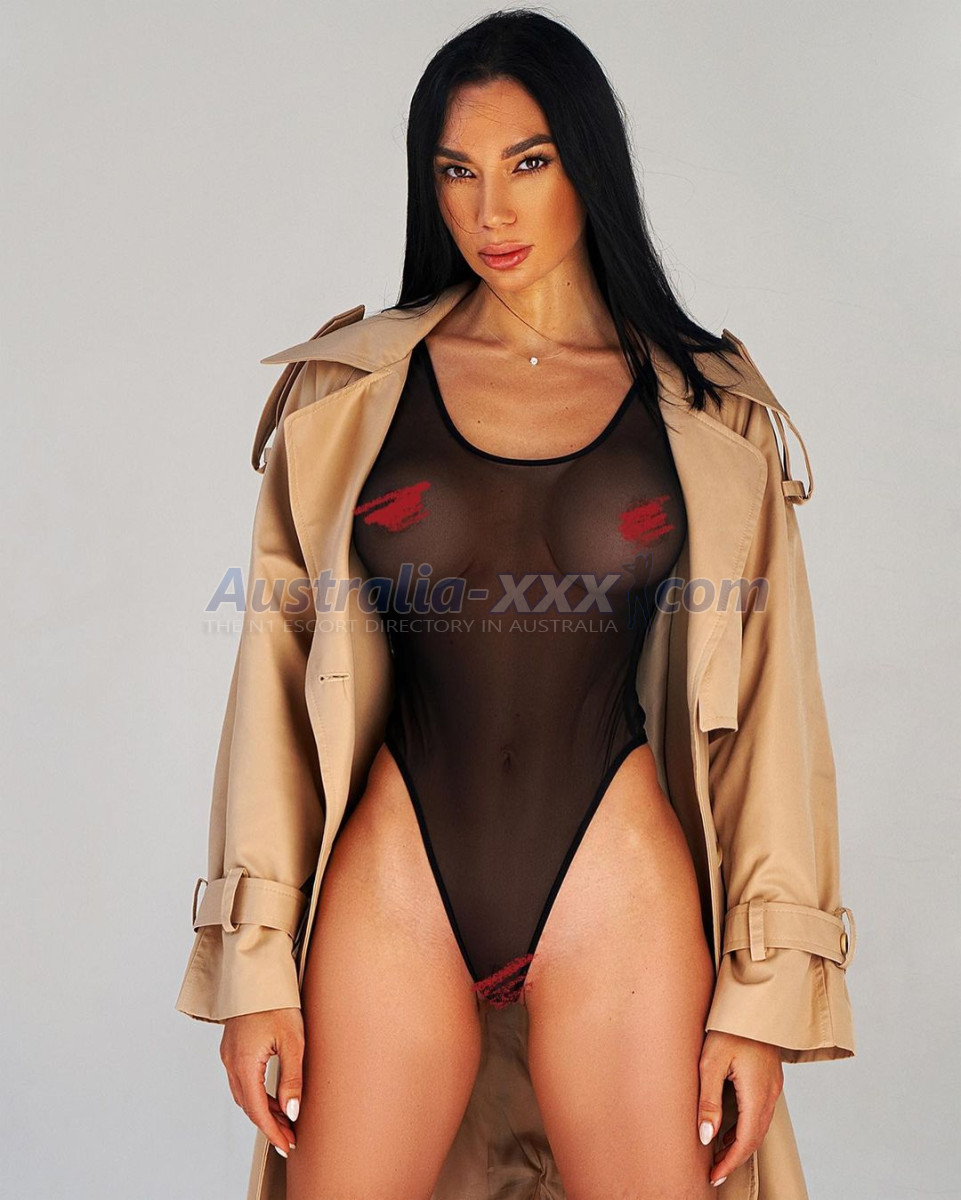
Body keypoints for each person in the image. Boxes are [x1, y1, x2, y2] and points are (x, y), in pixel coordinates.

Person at [176, 11, 856, 1200]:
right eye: (456, 171)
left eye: (526, 162)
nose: (489, 209)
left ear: (586, 163)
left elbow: (770, 714)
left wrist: (760, 997)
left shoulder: (711, 412)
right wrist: (256, 964)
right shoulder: (349, 396)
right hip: (396, 880)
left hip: (617, 880)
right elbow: (277, 691)